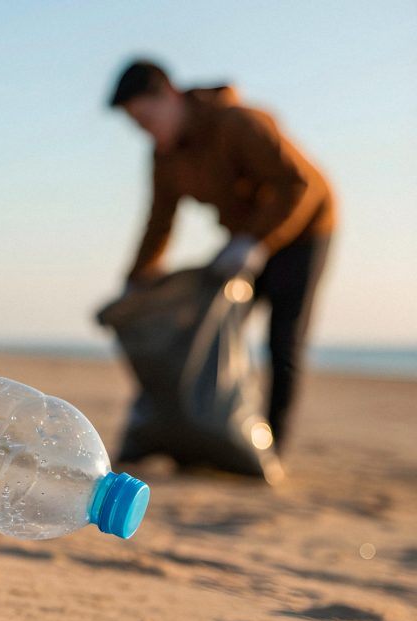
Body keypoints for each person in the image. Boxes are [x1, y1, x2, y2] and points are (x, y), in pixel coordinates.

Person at [110, 60, 335, 449]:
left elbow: (298, 185)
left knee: (284, 338)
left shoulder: (239, 123)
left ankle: (271, 447)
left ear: (170, 95)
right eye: (136, 125)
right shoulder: (165, 158)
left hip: (305, 228)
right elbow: (159, 224)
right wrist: (136, 280)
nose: (144, 130)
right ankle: (212, 434)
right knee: (207, 331)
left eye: (146, 119)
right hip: (243, 239)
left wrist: (257, 243)